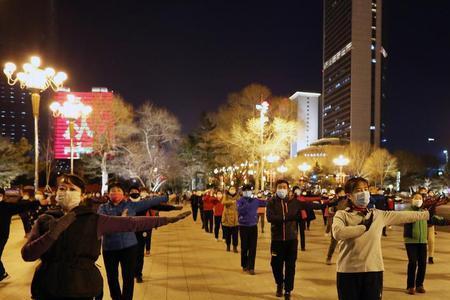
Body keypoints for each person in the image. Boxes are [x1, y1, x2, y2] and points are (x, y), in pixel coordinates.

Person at [22, 174, 190, 300]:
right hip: (47, 287)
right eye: (62, 189)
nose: (66, 192)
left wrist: (164, 220)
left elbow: (132, 223)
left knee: (126, 276)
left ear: (81, 196)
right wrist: (53, 233)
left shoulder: (93, 219)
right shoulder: (45, 219)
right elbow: (27, 254)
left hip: (82, 287)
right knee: (112, 278)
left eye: (72, 189)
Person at [333, 177, 434, 300]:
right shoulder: (342, 215)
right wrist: (363, 227)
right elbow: (338, 233)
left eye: (366, 189)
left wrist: (427, 214)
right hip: (348, 271)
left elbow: (403, 216)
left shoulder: (377, 215)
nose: (364, 193)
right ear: (349, 195)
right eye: (359, 190)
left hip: (373, 270)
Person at [97, 183, 176, 300]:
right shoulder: (103, 208)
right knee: (112, 278)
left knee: (128, 277)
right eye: (112, 190)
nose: (115, 192)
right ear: (108, 194)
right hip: (110, 248)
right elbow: (104, 223)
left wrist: (166, 197)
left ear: (123, 194)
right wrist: (121, 220)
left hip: (129, 246)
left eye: (118, 190)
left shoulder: (131, 205)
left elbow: (150, 202)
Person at [129, 186, 182, 283]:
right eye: (132, 191)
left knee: (140, 253)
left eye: (136, 191)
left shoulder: (143, 203)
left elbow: (159, 207)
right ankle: (132, 272)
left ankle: (138, 274)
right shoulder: (126, 203)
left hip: (141, 230)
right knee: (130, 254)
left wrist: (173, 208)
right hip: (129, 232)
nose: (134, 192)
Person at [404, 193, 450, 295]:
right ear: (412, 199)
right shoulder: (407, 211)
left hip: (422, 241)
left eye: (420, 198)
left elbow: (436, 219)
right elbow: (407, 218)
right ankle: (410, 286)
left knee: (422, 264)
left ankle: (419, 285)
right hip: (411, 241)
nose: (418, 200)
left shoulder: (426, 211)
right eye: (416, 198)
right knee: (412, 262)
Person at [267, 180, 304, 300]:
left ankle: (288, 290)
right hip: (277, 239)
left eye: (284, 187)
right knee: (275, 264)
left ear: (288, 189)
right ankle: (279, 283)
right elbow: (270, 218)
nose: (282, 189)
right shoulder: (271, 202)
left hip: (291, 239)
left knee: (290, 266)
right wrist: (288, 217)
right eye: (279, 187)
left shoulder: (294, 202)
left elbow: (307, 208)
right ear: (275, 189)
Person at [0, 188, 47, 282]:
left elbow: (22, 206)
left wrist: (38, 203)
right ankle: (2, 274)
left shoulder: (5, 206)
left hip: (1, 236)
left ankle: (2, 274)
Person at [237, 184, 267, 275]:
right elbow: (240, 210)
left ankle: (251, 267)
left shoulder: (255, 200)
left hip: (253, 226)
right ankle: (244, 264)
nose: (247, 192)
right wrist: (247, 203)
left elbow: (266, 203)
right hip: (243, 226)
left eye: (249, 190)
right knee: (244, 247)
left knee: (253, 247)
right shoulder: (240, 201)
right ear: (243, 192)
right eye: (245, 190)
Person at [325, 187, 348, 265]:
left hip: (346, 223)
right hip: (336, 223)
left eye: (343, 192)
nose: (343, 194)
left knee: (346, 242)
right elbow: (330, 213)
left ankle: (345, 259)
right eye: (341, 192)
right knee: (334, 242)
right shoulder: (333, 201)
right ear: (337, 194)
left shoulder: (348, 201)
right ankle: (329, 257)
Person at [222, 186, 239, 252]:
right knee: (227, 234)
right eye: (231, 189)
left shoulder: (238, 196)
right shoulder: (226, 196)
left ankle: (235, 247)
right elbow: (223, 202)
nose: (232, 190)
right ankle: (228, 246)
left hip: (235, 218)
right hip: (227, 218)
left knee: (235, 235)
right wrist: (231, 202)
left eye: (234, 189)